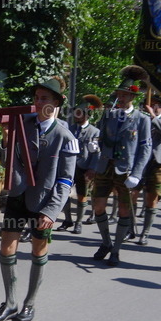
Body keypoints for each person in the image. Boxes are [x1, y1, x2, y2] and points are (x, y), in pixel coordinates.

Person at [0, 77, 78, 321]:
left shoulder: (65, 135)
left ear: (57, 103)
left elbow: (66, 180)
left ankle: (29, 303)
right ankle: (10, 301)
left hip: (44, 201)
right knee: (6, 248)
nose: (38, 103)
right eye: (36, 98)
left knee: (38, 250)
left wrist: (51, 212)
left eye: (44, 99)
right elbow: (8, 164)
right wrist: (6, 140)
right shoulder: (22, 124)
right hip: (18, 195)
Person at [89, 66, 152, 267]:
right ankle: (106, 242)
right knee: (98, 205)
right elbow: (100, 136)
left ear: (133, 97)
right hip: (104, 166)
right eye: (119, 94)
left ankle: (116, 249)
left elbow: (145, 148)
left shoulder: (142, 119)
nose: (121, 97)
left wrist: (137, 173)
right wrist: (94, 145)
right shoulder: (109, 115)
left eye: (125, 94)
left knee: (124, 209)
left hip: (125, 170)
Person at [134, 94, 161, 245]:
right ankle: (131, 228)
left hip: (157, 162)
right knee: (132, 193)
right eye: (152, 105)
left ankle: (145, 232)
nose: (155, 107)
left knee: (152, 198)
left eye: (158, 105)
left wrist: (153, 116)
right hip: (140, 161)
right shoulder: (141, 120)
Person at [60, 94, 101, 235]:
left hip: (85, 167)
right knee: (64, 193)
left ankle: (78, 223)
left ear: (86, 115)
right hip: (69, 166)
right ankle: (67, 220)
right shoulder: (70, 128)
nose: (76, 115)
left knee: (82, 195)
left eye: (79, 113)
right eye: (75, 112)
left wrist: (92, 168)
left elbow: (96, 153)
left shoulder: (94, 132)